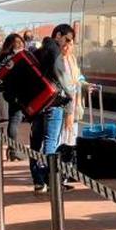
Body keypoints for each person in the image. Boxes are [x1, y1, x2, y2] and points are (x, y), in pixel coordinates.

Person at [30, 24, 78, 194]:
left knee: (35, 142)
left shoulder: (39, 50)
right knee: (51, 141)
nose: (69, 44)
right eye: (68, 39)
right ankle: (52, 180)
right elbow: (65, 82)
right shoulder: (55, 52)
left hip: (37, 104)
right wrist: (70, 106)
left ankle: (38, 180)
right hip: (53, 103)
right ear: (58, 35)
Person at [0, 33, 27, 155]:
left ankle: (13, 149)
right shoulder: (10, 57)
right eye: (17, 42)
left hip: (16, 92)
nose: (20, 44)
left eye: (21, 42)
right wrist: (0, 85)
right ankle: (13, 150)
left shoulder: (9, 55)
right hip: (16, 93)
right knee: (15, 119)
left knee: (15, 119)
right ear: (11, 44)